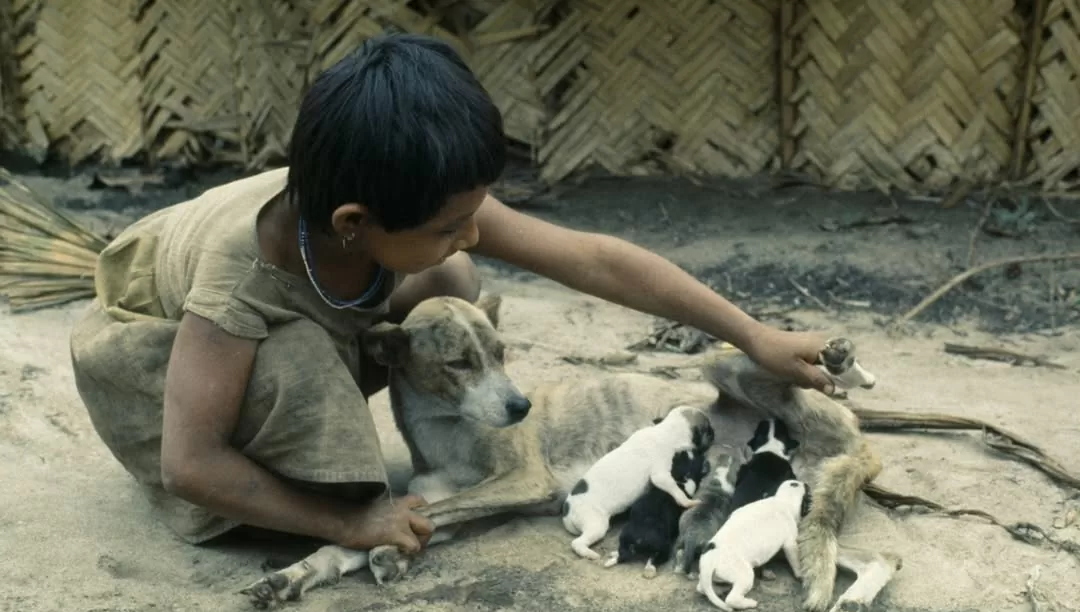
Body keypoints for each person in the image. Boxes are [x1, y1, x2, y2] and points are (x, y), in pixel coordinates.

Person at [69, 32, 832, 558]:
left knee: (449, 286)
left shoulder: (405, 198)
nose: (472, 233)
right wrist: (350, 521)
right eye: (451, 223)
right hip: (160, 366)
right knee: (298, 363)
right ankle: (314, 491)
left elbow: (592, 260)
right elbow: (190, 464)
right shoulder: (238, 285)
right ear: (354, 224)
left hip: (303, 311)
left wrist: (751, 336)